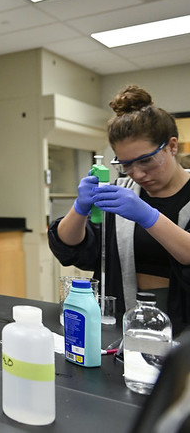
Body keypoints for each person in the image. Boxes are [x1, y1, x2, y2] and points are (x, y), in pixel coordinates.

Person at [49, 85, 190, 332]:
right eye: (126, 165)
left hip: (183, 323)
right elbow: (70, 248)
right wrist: (79, 208)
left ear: (172, 146)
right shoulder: (121, 192)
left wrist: (148, 216)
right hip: (126, 321)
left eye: (146, 160)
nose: (137, 173)